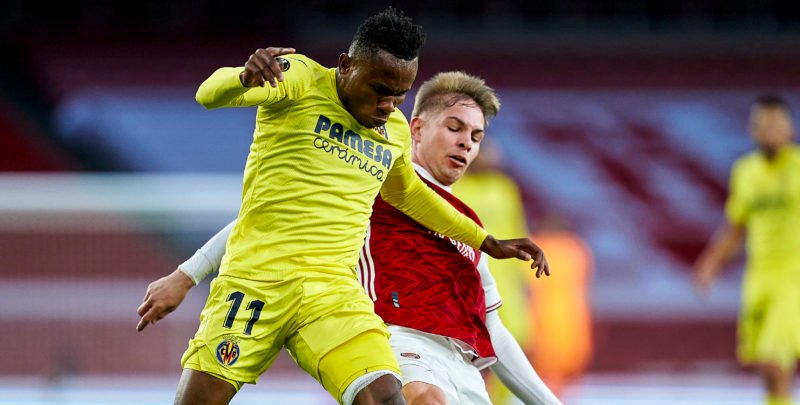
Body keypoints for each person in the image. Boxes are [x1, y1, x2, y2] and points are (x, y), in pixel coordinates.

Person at [137, 8, 549, 405]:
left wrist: (485, 241)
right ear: (346, 66)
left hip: (332, 295)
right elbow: (208, 94)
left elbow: (409, 195)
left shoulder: (393, 130)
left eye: (399, 95)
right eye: (380, 90)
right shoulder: (300, 80)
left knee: (385, 395)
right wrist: (243, 77)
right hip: (255, 283)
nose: (388, 105)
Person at [694, 94, 800, 405]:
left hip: (793, 278)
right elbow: (736, 227)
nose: (769, 131)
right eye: (762, 125)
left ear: (790, 128)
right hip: (759, 277)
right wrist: (711, 262)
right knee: (765, 368)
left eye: (775, 125)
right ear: (752, 130)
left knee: (776, 358)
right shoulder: (745, 171)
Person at [452, 138, 534, 404]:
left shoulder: (504, 188)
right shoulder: (453, 187)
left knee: (516, 340)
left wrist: (525, 277)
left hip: (505, 282)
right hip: (465, 281)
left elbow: (517, 229)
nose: (491, 158)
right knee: (462, 348)